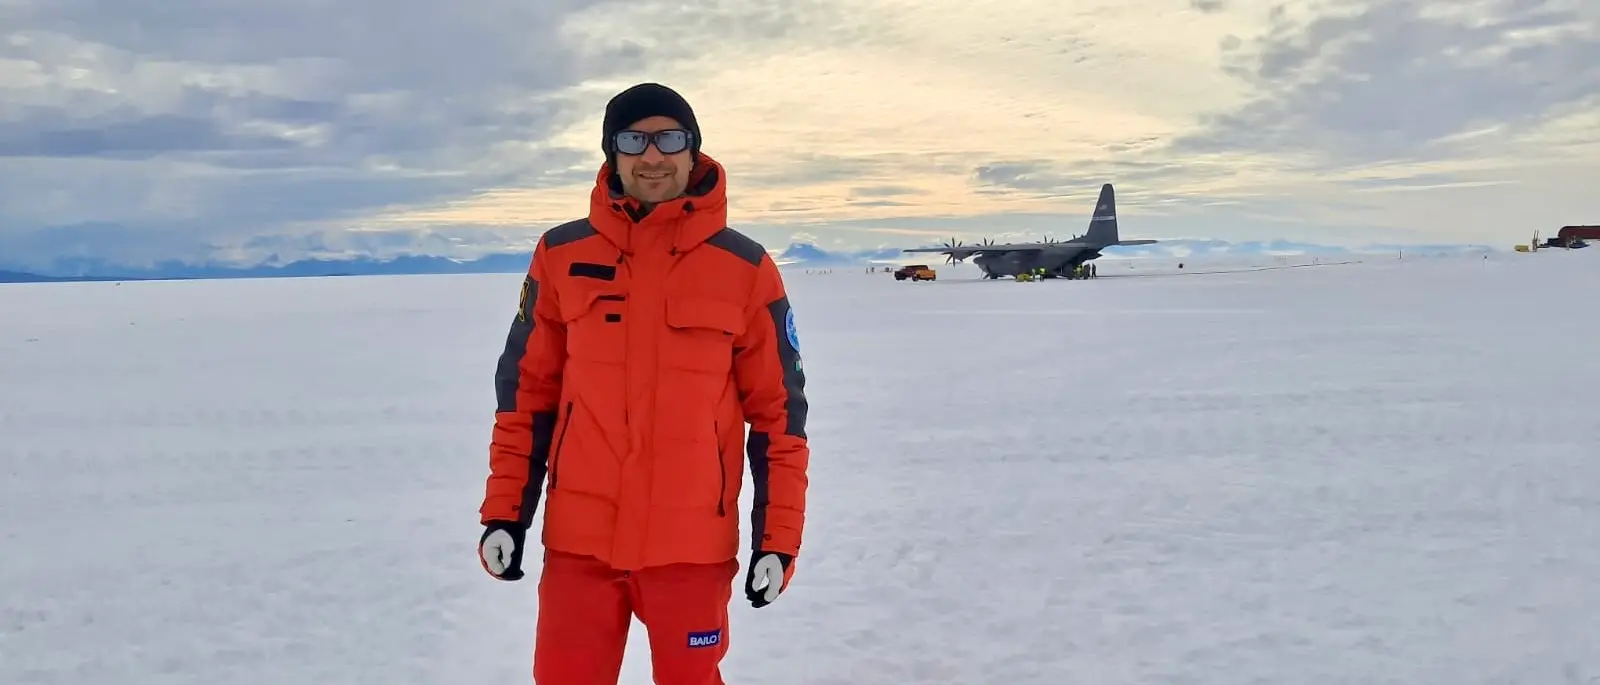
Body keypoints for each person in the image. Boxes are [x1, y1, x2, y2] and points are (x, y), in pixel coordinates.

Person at [475, 82, 811, 685]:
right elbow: (526, 396)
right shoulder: (560, 255)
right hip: (580, 547)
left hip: (692, 551)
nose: (652, 156)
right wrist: (506, 513)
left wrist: (777, 541)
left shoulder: (747, 268)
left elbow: (779, 419)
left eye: (669, 139)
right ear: (612, 153)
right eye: (633, 141)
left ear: (693, 150)